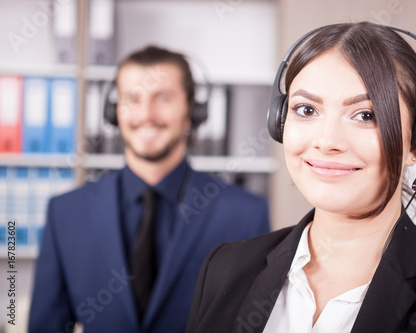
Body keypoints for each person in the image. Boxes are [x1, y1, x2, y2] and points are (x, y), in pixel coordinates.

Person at [186, 22, 416, 333]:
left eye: (366, 115)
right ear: (279, 121)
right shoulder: (224, 269)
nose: (327, 141)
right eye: (306, 110)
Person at [28, 46, 270, 333]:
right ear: (113, 111)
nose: (146, 113)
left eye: (163, 98)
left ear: (193, 110)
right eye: (132, 98)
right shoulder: (66, 212)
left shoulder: (245, 214)